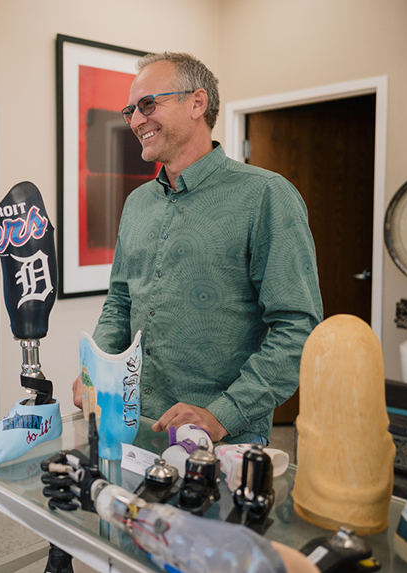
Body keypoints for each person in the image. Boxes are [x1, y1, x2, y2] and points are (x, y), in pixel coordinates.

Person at [73, 52, 323, 445]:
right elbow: (120, 301)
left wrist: (222, 414)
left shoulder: (265, 196)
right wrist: (96, 369)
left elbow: (298, 328)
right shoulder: (137, 203)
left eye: (148, 105)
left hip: (221, 443)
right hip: (131, 427)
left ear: (197, 103)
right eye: (130, 111)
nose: (136, 120)